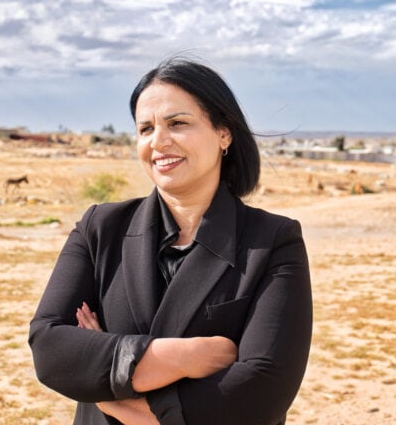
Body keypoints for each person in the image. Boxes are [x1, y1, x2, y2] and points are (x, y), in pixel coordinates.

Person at [29, 57, 313, 425]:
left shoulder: (273, 241)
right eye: (145, 128)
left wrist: (119, 390)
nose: (158, 142)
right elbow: (50, 350)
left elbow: (263, 390)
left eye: (177, 123)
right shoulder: (100, 228)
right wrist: (186, 356)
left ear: (224, 133)